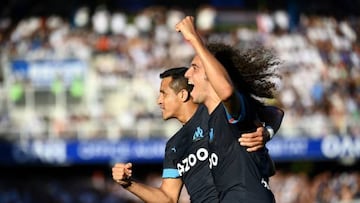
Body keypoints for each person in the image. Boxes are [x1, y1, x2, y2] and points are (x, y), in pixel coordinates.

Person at [112, 67, 283, 202]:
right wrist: (128, 184)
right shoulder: (174, 145)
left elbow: (274, 113)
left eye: (163, 93)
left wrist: (266, 134)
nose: (159, 100)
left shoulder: (215, 111)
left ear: (183, 94)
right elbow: (168, 198)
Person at [176, 16, 283, 202]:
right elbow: (274, 113)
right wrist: (267, 132)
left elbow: (225, 91)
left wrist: (194, 38)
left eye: (194, 68)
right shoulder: (213, 117)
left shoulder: (230, 111)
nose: (187, 74)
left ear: (212, 74)